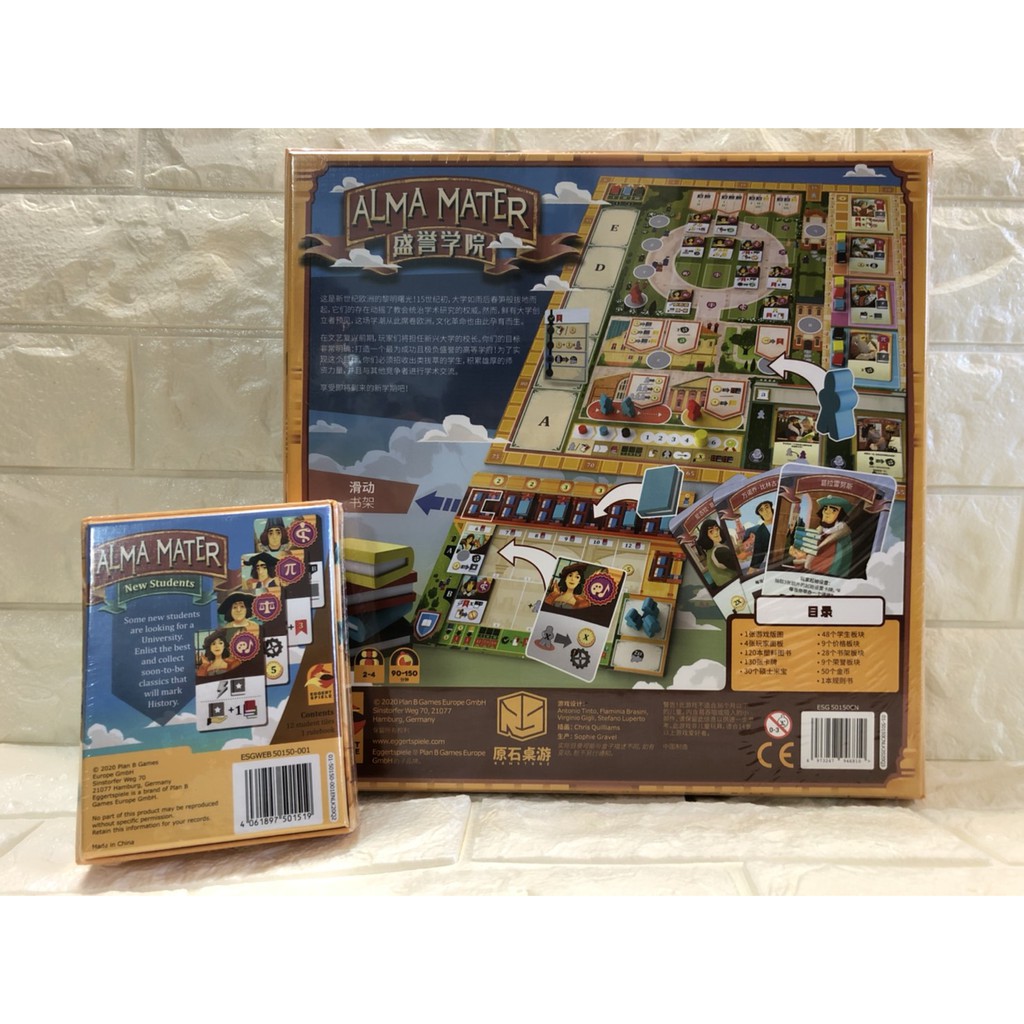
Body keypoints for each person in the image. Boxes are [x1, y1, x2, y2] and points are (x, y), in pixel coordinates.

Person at [789, 495, 853, 576]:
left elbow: (838, 565)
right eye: (825, 509)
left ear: (840, 514)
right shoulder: (821, 531)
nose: (827, 512)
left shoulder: (841, 537)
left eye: (833, 510)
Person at [695, 519, 740, 587]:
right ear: (706, 535)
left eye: (717, 529)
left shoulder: (710, 552)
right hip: (734, 584)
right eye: (711, 531)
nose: (716, 533)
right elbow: (737, 566)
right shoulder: (720, 551)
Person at [742, 500, 774, 572]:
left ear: (771, 508)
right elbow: (758, 554)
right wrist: (751, 571)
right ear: (760, 514)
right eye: (761, 510)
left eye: (767, 507)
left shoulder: (782, 519)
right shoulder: (760, 532)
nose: (765, 511)